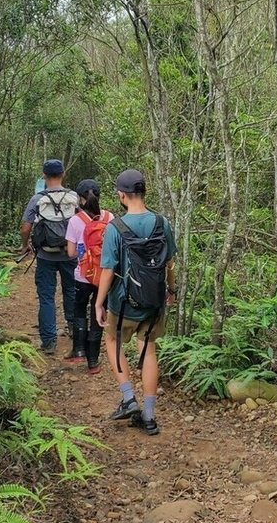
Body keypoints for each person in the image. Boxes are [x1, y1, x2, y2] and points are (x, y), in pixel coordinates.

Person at [95, 169, 177, 436]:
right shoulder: (162, 222)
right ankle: (150, 417)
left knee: (111, 341)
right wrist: (171, 290)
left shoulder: (116, 227)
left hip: (123, 301)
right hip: (154, 301)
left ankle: (129, 398)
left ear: (121, 195)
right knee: (149, 349)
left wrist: (99, 302)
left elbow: (108, 269)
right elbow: (169, 263)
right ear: (144, 191)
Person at [20, 159, 78, 354]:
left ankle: (49, 341)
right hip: (70, 255)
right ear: (63, 174)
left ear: (44, 176)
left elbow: (26, 226)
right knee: (71, 292)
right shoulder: (74, 197)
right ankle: (74, 331)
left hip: (45, 255)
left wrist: (25, 245)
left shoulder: (37, 198)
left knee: (46, 297)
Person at [65, 179, 113, 372]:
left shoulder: (75, 221)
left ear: (80, 199)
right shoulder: (110, 217)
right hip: (105, 276)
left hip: (83, 275)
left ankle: (78, 351)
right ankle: (93, 361)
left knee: (79, 309)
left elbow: (70, 253)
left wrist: (84, 252)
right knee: (98, 313)